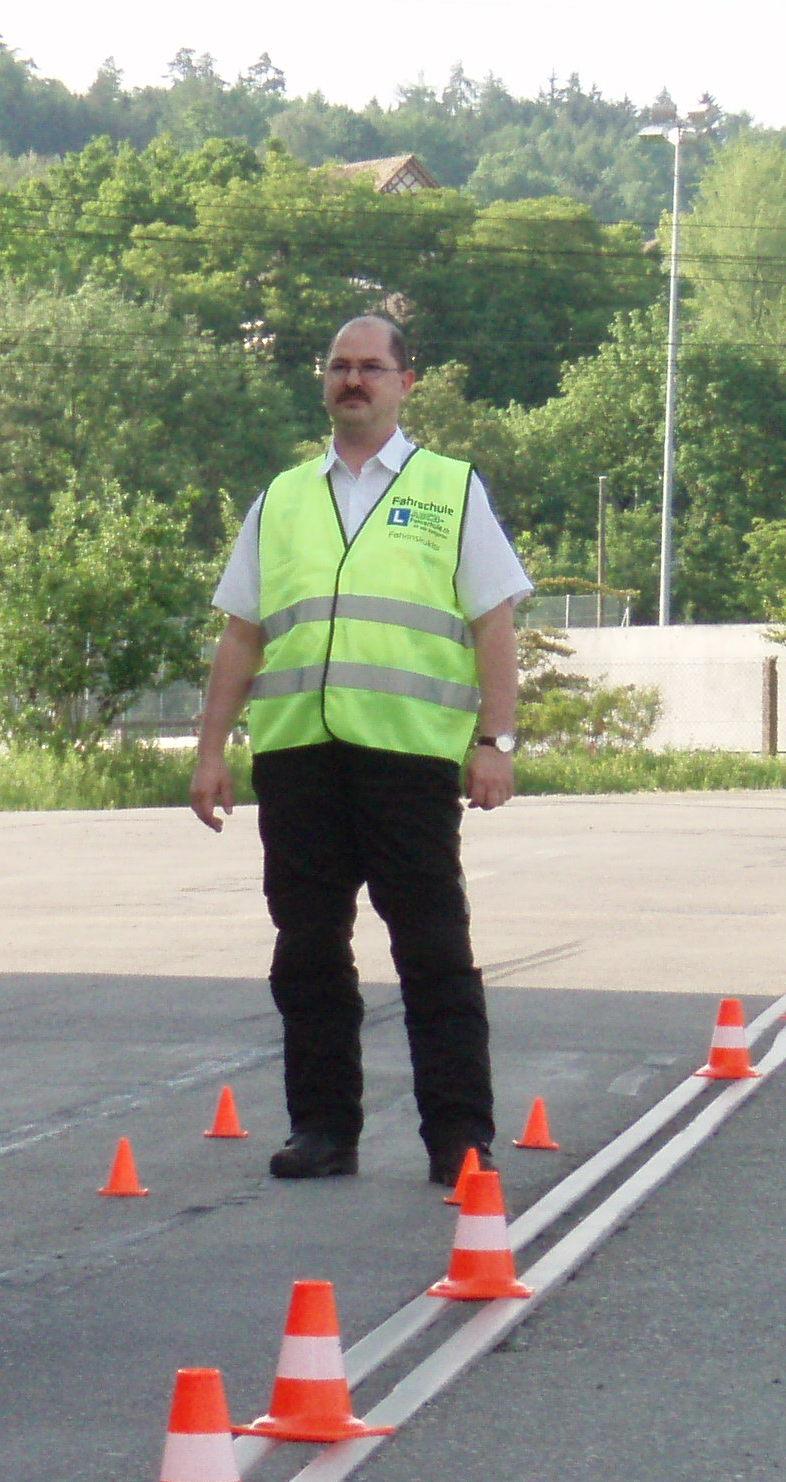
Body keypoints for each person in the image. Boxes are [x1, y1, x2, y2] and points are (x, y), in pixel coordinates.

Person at [188, 312, 531, 1187]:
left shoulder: (450, 489)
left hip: (408, 761)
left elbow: (494, 623)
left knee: (432, 950)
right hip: (300, 758)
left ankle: (459, 1138)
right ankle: (322, 1129)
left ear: (405, 383)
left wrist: (495, 742)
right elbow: (242, 635)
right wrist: (211, 751)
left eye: (371, 367)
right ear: (324, 381)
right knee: (306, 950)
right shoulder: (284, 497)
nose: (354, 380)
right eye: (340, 366)